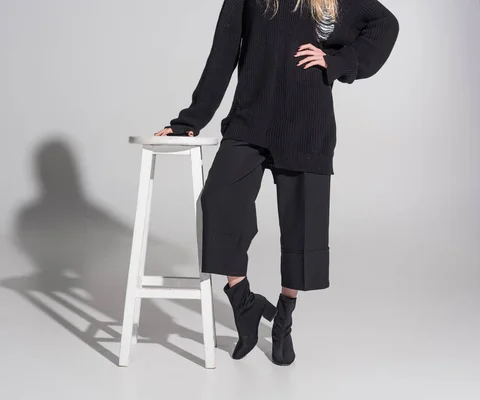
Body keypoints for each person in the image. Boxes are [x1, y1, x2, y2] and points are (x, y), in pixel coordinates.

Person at [155, 0, 399, 365]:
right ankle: (244, 302)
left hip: (308, 126)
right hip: (250, 120)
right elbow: (223, 52)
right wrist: (191, 119)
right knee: (219, 202)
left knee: (303, 228)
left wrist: (338, 61)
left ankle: (284, 317)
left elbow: (385, 23)